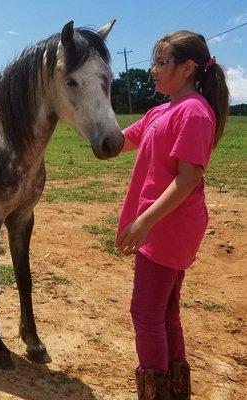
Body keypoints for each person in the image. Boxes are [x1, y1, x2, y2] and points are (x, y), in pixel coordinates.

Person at [115, 30, 230, 399]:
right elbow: (120, 141)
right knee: (165, 313)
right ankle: (175, 390)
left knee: (146, 313)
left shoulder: (194, 112)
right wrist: (83, 111)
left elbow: (187, 179)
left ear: (188, 68)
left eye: (161, 62)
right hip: (165, 225)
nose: (153, 70)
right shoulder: (160, 111)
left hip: (168, 227)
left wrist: (144, 221)